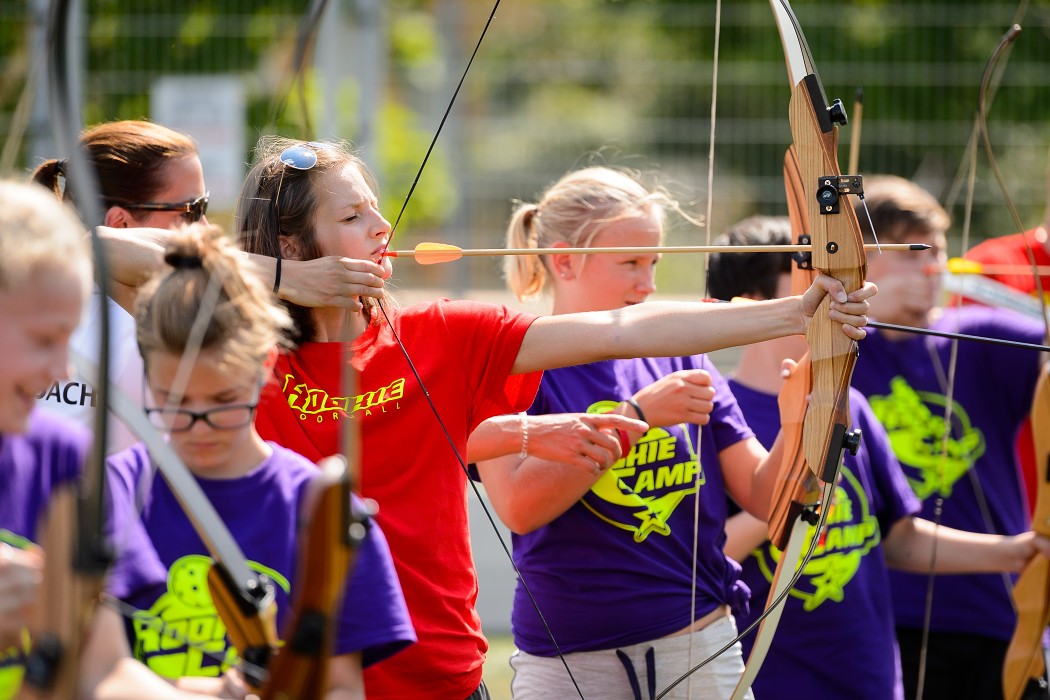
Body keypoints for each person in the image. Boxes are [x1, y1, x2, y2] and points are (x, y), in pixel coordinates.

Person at [235, 137, 874, 700]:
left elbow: (622, 329)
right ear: (291, 243)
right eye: (352, 215)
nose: (382, 225)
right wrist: (280, 276)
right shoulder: (235, 356)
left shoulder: (442, 334)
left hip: (441, 674)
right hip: (309, 672)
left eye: (375, 205)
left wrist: (794, 314)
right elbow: (138, 259)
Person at [468, 167, 791, 700]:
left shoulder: (681, 353)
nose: (649, 284)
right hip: (570, 660)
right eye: (630, 264)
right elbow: (521, 506)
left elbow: (763, 494)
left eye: (655, 262)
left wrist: (804, 411)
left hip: (698, 644)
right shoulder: (515, 363)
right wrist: (637, 416)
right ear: (565, 260)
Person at [707, 215, 1050, 700]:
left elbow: (897, 539)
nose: (840, 295)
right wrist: (794, 479)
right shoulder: (720, 419)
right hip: (780, 682)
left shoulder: (855, 405)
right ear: (754, 307)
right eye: (814, 281)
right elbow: (705, 558)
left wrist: (1017, 551)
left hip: (872, 680)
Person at [102, 222, 415, 698]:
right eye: (174, 402)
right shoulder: (109, 493)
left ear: (263, 368)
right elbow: (94, 673)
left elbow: (342, 686)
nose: (199, 425)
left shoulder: (319, 509)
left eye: (223, 400)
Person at [0, 179, 235, 700]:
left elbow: (105, 670)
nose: (60, 370)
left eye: (68, 339)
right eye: (42, 340)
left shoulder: (64, 458)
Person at [34, 119, 386, 454]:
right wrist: (288, 276)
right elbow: (95, 245)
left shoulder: (30, 312)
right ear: (122, 225)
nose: (206, 227)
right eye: (191, 210)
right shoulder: (151, 325)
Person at [842, 176, 1046, 700]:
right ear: (861, 260)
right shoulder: (836, 353)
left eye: (940, 251)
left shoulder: (985, 336)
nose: (932, 267)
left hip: (996, 610)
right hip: (885, 614)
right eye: (913, 253)